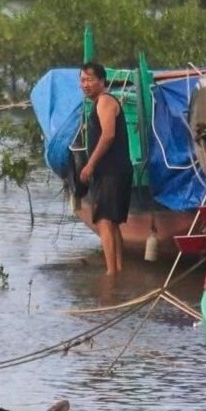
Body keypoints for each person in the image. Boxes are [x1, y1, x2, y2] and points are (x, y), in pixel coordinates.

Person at [78, 61, 130, 274]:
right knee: (112, 222)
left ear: (102, 81)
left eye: (90, 80)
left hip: (111, 171)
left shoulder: (105, 101)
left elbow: (108, 135)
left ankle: (111, 273)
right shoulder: (98, 103)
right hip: (114, 170)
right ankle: (117, 270)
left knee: (104, 220)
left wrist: (90, 164)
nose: (85, 84)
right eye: (82, 80)